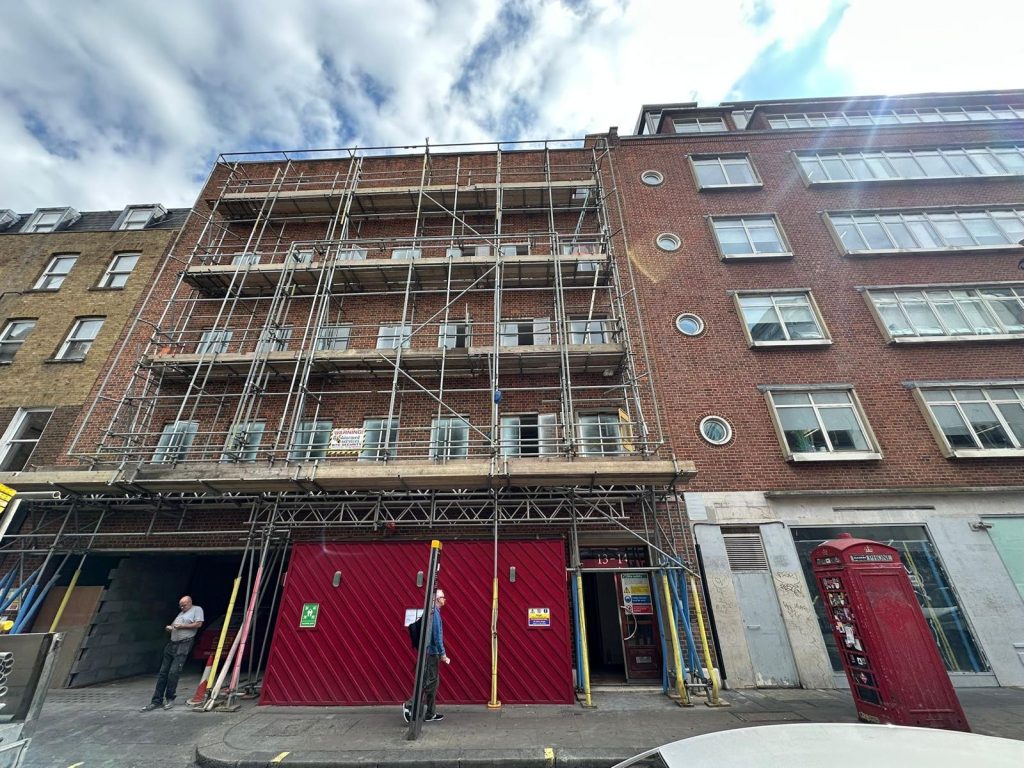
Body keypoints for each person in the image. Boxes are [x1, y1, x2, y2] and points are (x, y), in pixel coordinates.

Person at [141, 595, 204, 711]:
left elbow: (198, 624)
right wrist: (170, 628)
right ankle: (156, 700)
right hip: (172, 643)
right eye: (180, 606)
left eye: (184, 605)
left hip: (184, 644)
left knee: (173, 672)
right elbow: (175, 627)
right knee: (163, 673)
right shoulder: (181, 614)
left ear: (190, 602)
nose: (182, 608)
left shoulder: (197, 609)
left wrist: (182, 626)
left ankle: (170, 698)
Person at [403, 588, 450, 723]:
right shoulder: (434, 613)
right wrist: (443, 654)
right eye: (443, 597)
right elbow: (437, 636)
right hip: (432, 653)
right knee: (429, 682)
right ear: (436, 599)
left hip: (431, 652)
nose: (444, 600)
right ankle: (410, 705)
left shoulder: (434, 612)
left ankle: (430, 713)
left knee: (433, 683)